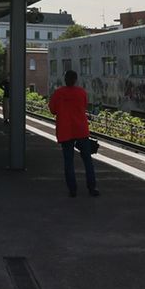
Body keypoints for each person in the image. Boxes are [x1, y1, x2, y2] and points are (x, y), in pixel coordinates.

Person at [48, 69, 99, 197]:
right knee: (87, 160)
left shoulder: (58, 93)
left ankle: (72, 190)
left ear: (65, 79)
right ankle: (92, 188)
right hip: (81, 129)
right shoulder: (81, 92)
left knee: (69, 161)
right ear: (75, 80)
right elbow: (84, 106)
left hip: (65, 131)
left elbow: (53, 110)